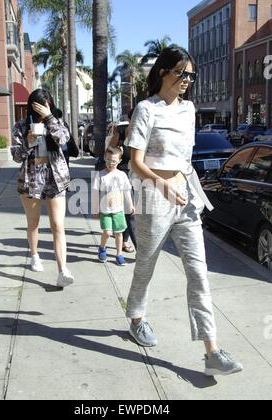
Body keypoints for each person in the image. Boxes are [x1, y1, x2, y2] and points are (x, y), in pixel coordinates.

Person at [125, 47, 243, 377]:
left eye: (191, 75)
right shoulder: (146, 110)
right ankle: (136, 317)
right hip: (154, 197)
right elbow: (135, 161)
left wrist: (187, 185)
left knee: (198, 272)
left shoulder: (189, 109)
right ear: (163, 72)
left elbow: (185, 157)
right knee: (146, 263)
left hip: (186, 198)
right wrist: (161, 186)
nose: (187, 81)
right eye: (181, 73)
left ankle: (212, 350)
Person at [11, 88, 74, 288]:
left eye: (46, 106)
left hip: (55, 179)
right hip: (31, 180)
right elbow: (16, 156)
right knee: (34, 223)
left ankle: (63, 270)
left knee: (58, 225)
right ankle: (35, 254)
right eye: (39, 107)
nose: (42, 110)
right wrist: (28, 143)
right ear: (31, 107)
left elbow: (64, 140)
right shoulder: (21, 126)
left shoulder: (56, 122)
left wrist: (49, 118)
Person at [92, 146, 135, 266]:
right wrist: (95, 209)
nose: (111, 163)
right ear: (104, 158)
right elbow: (95, 193)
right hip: (105, 210)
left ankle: (119, 255)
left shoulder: (122, 175)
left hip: (118, 210)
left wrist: (130, 206)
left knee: (119, 233)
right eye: (108, 160)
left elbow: (127, 191)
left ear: (119, 161)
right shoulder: (99, 175)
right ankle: (102, 248)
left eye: (114, 161)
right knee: (107, 232)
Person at [108, 110, 137, 253]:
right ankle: (141, 250)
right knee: (131, 213)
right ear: (131, 119)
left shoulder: (144, 134)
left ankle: (124, 242)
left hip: (139, 178)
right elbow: (107, 155)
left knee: (129, 213)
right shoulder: (119, 133)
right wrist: (115, 149)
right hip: (121, 178)